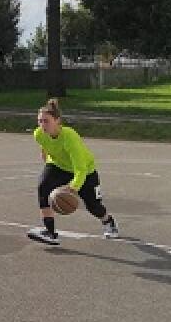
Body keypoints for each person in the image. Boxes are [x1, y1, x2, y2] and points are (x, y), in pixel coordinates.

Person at [27, 98, 119, 246]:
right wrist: (45, 155)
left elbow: (80, 168)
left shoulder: (70, 137)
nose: (42, 124)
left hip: (85, 171)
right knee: (43, 187)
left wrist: (72, 188)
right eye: (40, 121)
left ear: (57, 121)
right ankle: (50, 233)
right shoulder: (38, 134)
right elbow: (45, 144)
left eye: (46, 121)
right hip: (58, 166)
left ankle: (108, 221)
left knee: (93, 206)